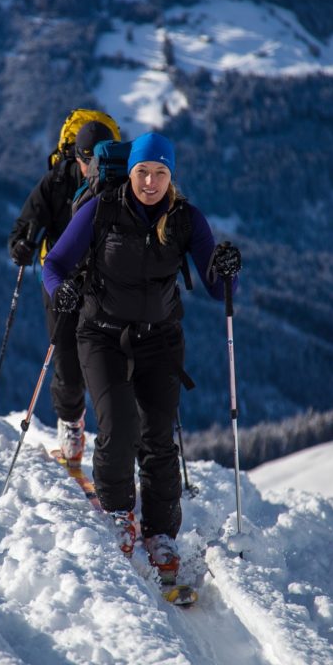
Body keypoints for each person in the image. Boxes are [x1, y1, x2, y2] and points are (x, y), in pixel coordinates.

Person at [41, 132, 242, 583]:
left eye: (160, 173)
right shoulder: (100, 210)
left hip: (161, 340)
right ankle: (118, 512)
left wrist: (226, 271)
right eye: (142, 172)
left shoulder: (187, 219)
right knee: (118, 425)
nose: (150, 182)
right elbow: (53, 265)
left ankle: (160, 532)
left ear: (171, 176)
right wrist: (63, 292)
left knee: (157, 435)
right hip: (102, 335)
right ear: (129, 171)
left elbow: (216, 286)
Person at [7, 119, 118, 462]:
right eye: (88, 161)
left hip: (107, 285)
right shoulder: (56, 182)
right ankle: (72, 424)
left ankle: (119, 443)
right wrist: (22, 246)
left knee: (114, 368)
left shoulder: (121, 182)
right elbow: (25, 225)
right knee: (67, 363)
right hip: (62, 283)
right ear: (77, 156)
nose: (93, 169)